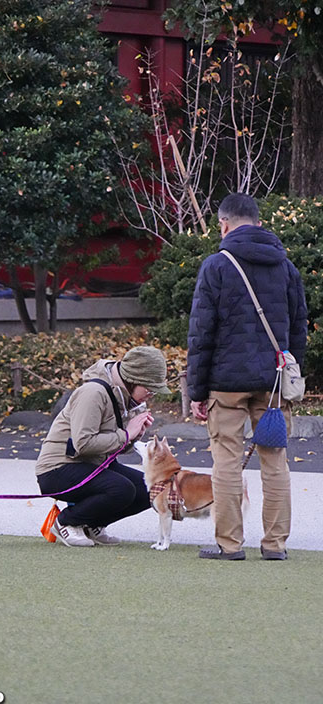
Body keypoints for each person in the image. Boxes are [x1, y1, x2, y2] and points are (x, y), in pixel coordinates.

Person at [187, 193, 307, 561]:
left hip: (226, 383)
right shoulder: (286, 267)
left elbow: (201, 333)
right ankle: (275, 545)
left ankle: (229, 544)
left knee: (226, 461)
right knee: (275, 461)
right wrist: (290, 374)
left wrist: (196, 391)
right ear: (259, 223)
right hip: (273, 382)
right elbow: (298, 327)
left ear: (223, 225)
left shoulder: (216, 266)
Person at [36, 346, 169, 547]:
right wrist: (126, 434)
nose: (151, 395)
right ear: (133, 379)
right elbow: (83, 444)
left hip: (92, 464)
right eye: (149, 389)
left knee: (151, 489)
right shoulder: (93, 392)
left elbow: (113, 447)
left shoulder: (123, 396)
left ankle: (91, 525)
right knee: (121, 489)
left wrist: (135, 435)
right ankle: (66, 522)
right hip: (58, 468)